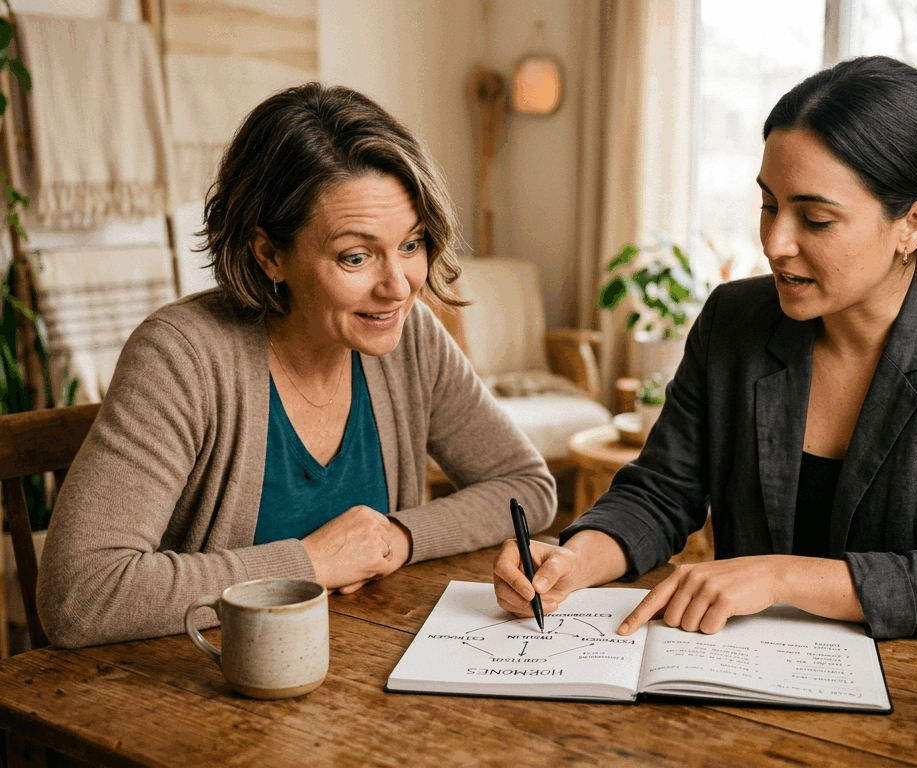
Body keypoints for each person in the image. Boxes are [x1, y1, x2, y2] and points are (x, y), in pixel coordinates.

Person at [494, 56, 917, 640]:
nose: (774, 242)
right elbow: (662, 492)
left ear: (914, 224)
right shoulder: (733, 320)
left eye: (814, 219)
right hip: (734, 677)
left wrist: (781, 578)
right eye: (769, 204)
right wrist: (578, 558)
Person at [38, 83, 555, 648]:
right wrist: (309, 563)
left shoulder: (410, 338)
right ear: (270, 255)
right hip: (195, 697)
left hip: (368, 668)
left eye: (411, 244)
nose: (398, 286)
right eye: (355, 257)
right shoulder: (180, 358)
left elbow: (526, 487)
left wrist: (397, 538)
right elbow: (79, 594)